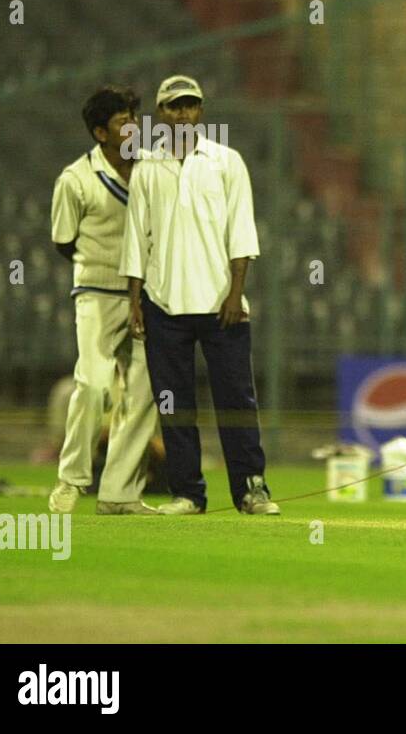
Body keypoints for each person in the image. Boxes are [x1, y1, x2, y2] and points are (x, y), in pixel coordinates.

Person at [120, 75, 279, 515]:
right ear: (160, 115)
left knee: (236, 404)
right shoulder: (146, 168)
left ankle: (251, 489)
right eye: (173, 107)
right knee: (174, 407)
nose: (183, 113)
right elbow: (136, 238)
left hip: (220, 306)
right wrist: (134, 301)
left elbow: (241, 232)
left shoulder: (226, 161)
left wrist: (236, 294)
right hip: (163, 303)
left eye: (190, 105)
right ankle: (188, 493)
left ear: (201, 112)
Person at [48, 86, 159, 515]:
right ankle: (70, 481)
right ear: (100, 133)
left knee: (144, 392)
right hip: (96, 294)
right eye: (121, 121)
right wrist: (102, 265)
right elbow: (63, 242)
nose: (132, 125)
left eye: (134, 116)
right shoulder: (75, 179)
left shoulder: (153, 170)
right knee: (93, 386)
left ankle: (120, 492)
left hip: (147, 295)